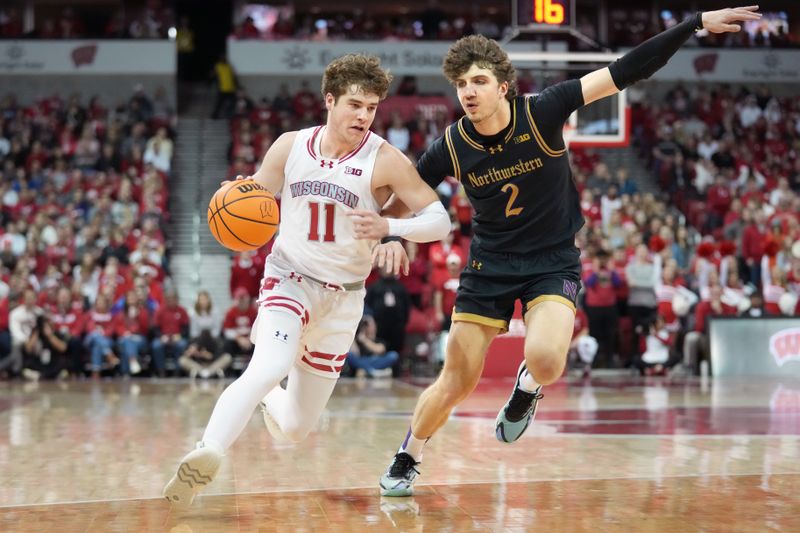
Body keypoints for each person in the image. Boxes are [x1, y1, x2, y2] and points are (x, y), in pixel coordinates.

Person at [369, 7, 762, 496]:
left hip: (552, 260)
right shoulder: (451, 143)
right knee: (456, 379)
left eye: (478, 81)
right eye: (460, 84)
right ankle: (410, 454)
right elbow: (409, 192)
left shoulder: (544, 110)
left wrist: (695, 22)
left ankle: (526, 388)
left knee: (549, 360)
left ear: (502, 86)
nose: (467, 92)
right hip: (489, 266)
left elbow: (627, 69)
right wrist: (391, 235)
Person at [163, 53, 451, 508]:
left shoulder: (385, 159)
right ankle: (208, 452)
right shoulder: (289, 145)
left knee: (296, 427)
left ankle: (267, 399)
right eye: (355, 104)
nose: (364, 115)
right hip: (289, 279)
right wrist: (239, 193)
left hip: (342, 301)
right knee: (268, 364)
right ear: (329, 100)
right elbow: (255, 197)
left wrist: (391, 228)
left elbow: (440, 222)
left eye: (372, 107)